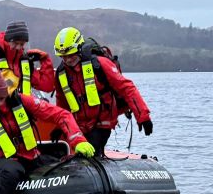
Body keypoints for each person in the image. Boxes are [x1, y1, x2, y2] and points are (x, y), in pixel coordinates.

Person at [52, 27, 153, 155]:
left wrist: (143, 117)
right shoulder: (61, 73)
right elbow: (62, 103)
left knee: (90, 152)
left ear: (79, 48)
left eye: (70, 55)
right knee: (71, 153)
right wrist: (60, 127)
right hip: (80, 125)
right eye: (63, 56)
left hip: (102, 122)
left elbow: (127, 88)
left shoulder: (99, 64)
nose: (67, 59)